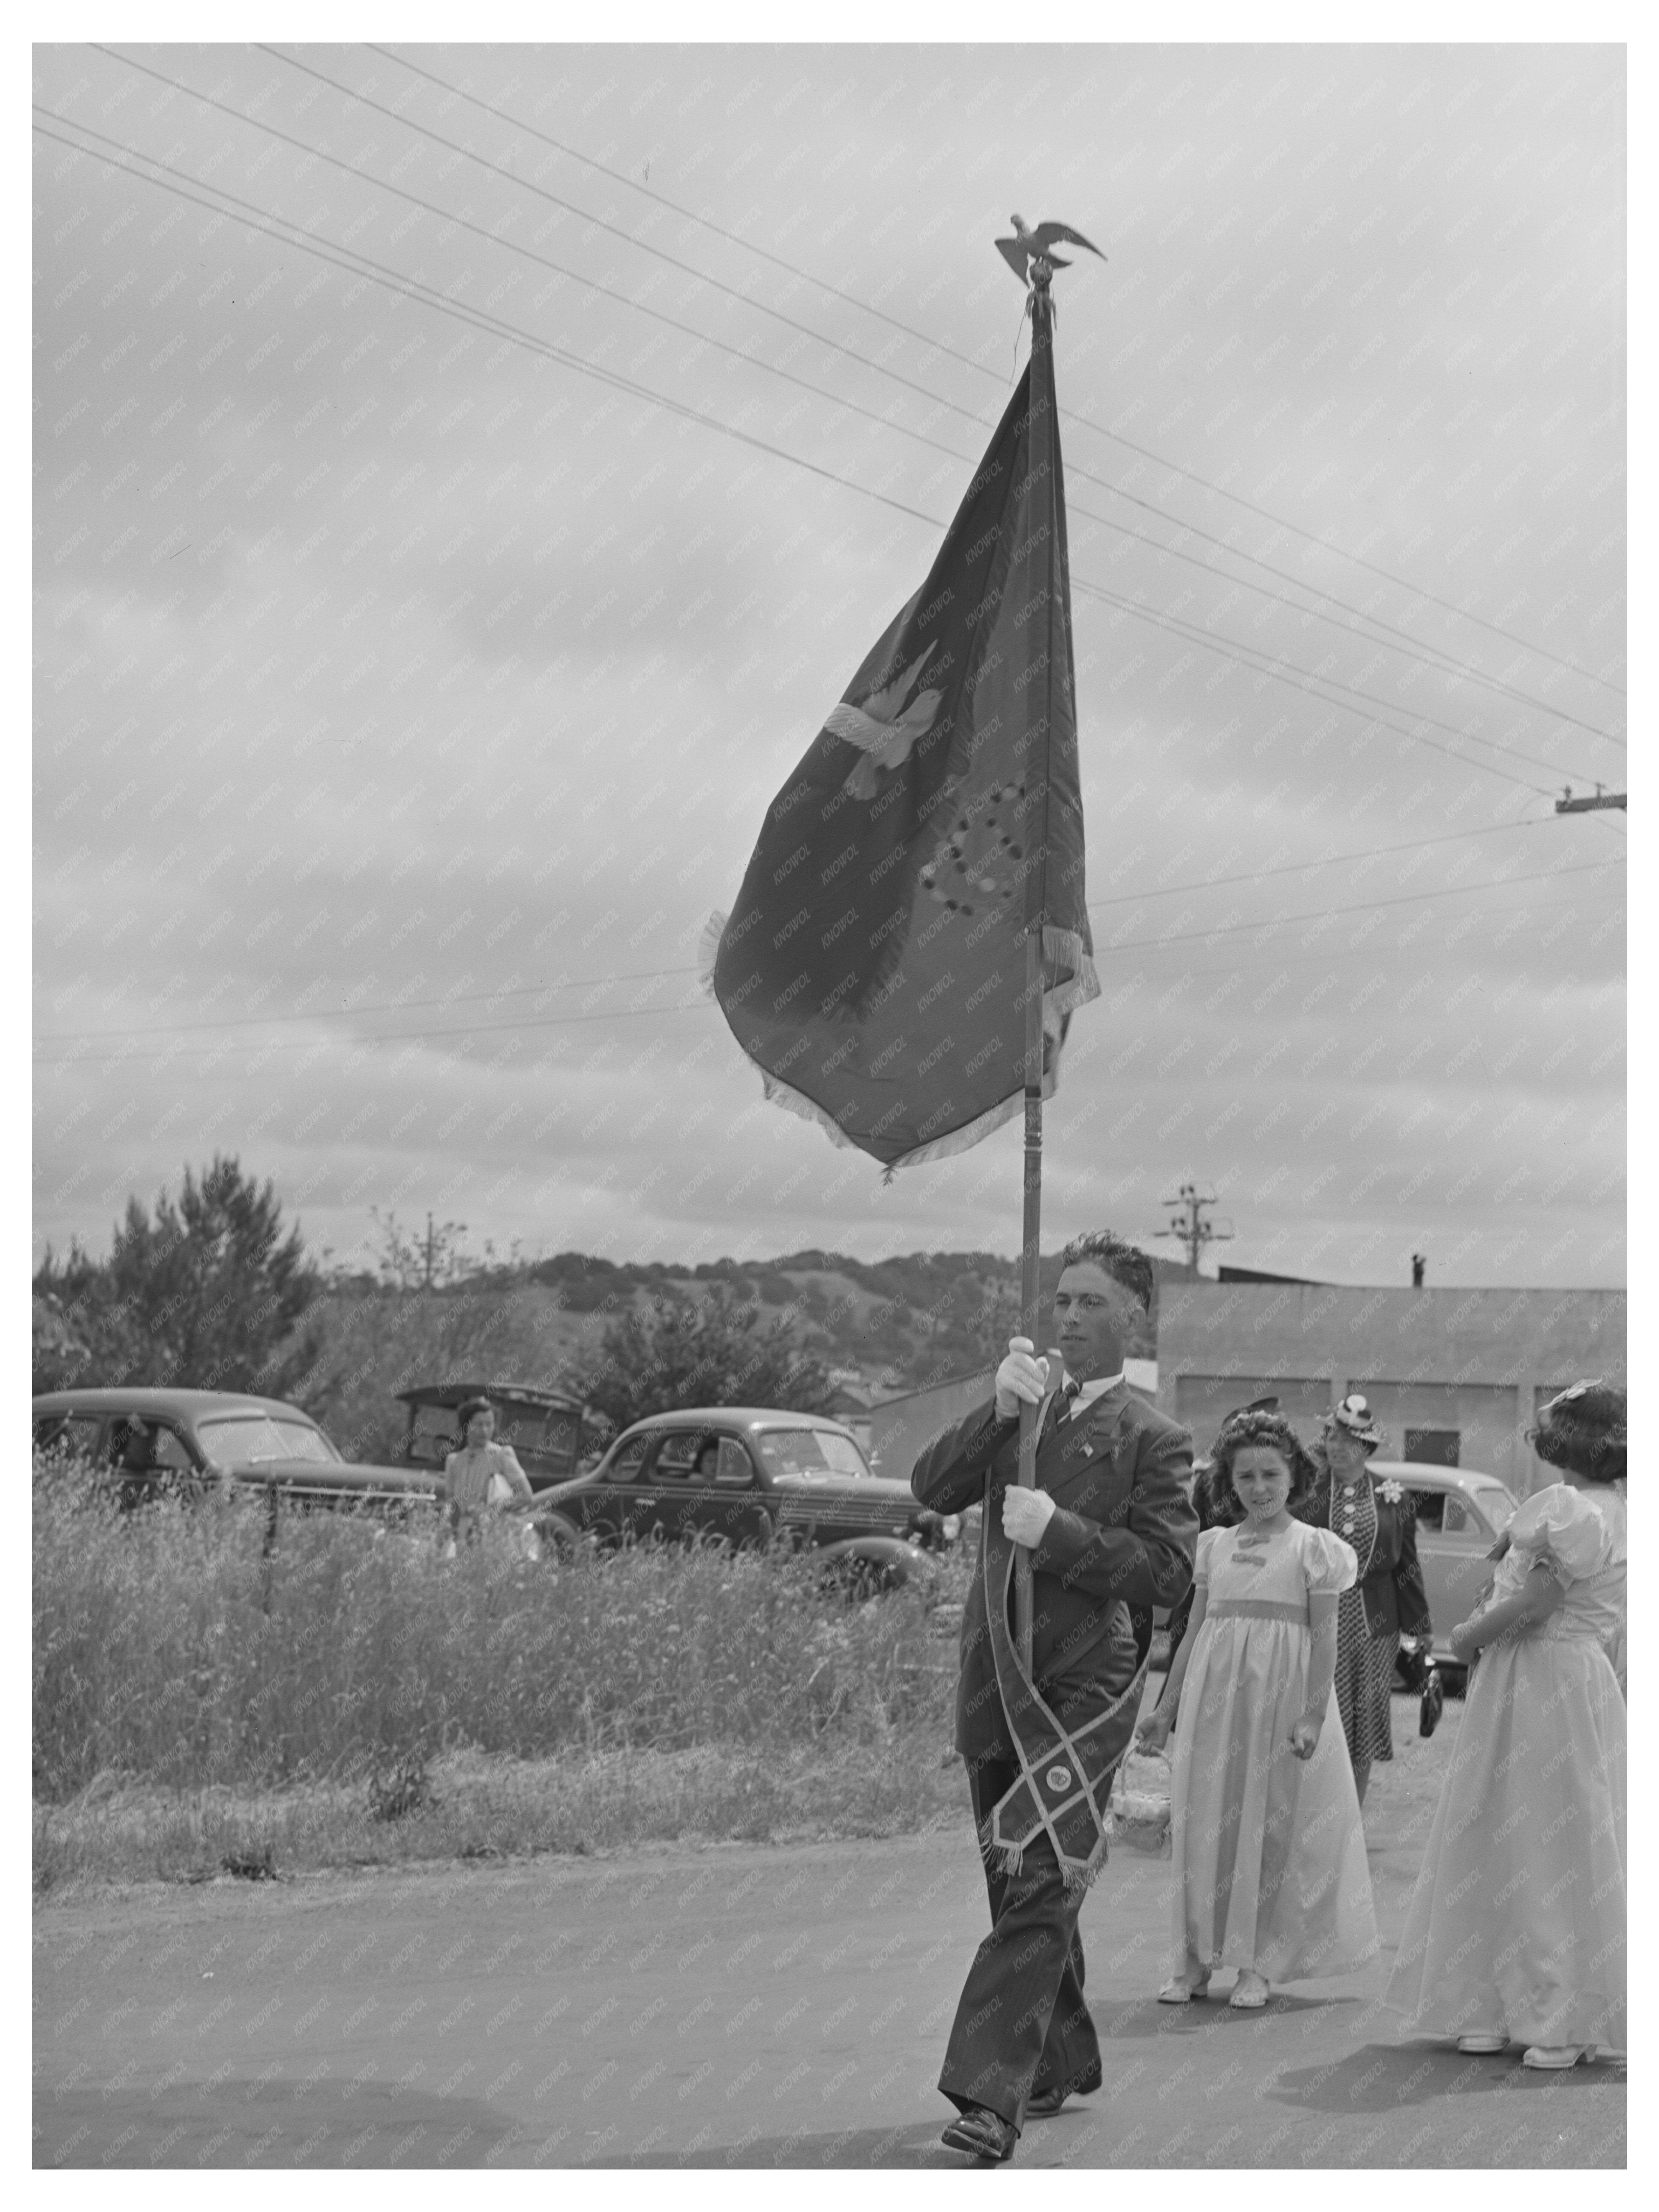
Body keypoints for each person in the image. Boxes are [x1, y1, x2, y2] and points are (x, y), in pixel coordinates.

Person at [910, 1230, 1198, 2163]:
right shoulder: (1023, 1409)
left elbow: (1165, 1570)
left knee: (1039, 1874)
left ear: (1133, 1315)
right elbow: (931, 1486)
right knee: (1015, 1882)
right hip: (995, 1667)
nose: (1069, 1317)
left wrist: (1062, 1531)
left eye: (1090, 1302)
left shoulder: (1154, 1436)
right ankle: (1062, 2056)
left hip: (1086, 1682)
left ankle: (991, 2094)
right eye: (1061, 1300)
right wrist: (995, 1413)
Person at [1385, 1381, 1626, 2068]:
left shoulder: (1569, 1509)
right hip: (1573, 1679)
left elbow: (1539, 1600)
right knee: (1560, 1832)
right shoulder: (1618, 1511)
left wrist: (1464, 1636)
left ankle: (1544, 2013)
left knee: (1514, 1827)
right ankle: (1509, 2004)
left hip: (1537, 1672)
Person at [1137, 1408, 1377, 2008]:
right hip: (1211, 1707)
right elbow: (1189, 1633)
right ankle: (1191, 1959)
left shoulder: (1315, 1550)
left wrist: (1312, 1714)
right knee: (1204, 1819)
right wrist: (1164, 1709)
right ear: (1228, 1482)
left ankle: (1257, 1961)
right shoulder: (1213, 1547)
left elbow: (1325, 1638)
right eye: (1246, 1477)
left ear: (1294, 1476)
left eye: (1271, 1474)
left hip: (1278, 1706)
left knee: (1267, 1826)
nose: (1260, 1488)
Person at [1291, 1394, 1431, 1802]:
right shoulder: (1305, 1492)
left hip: (1375, 1627)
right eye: (1332, 1436)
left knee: (1363, 1722)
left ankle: (1351, 1815)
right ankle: (1312, 1810)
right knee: (1319, 1709)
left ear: (1366, 1448)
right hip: (1315, 1620)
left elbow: (1407, 1566)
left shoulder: (1394, 1497)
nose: (1336, 1446)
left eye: (1348, 1440)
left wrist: (1419, 1625)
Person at [443, 1397, 533, 1542]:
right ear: (466, 1426)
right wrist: (446, 1536)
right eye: (479, 1425)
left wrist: (494, 1509)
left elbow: (526, 1496)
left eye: (489, 1424)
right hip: (462, 1535)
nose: (485, 1430)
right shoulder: (454, 1461)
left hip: (493, 1533)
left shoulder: (502, 1455)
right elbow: (451, 1503)